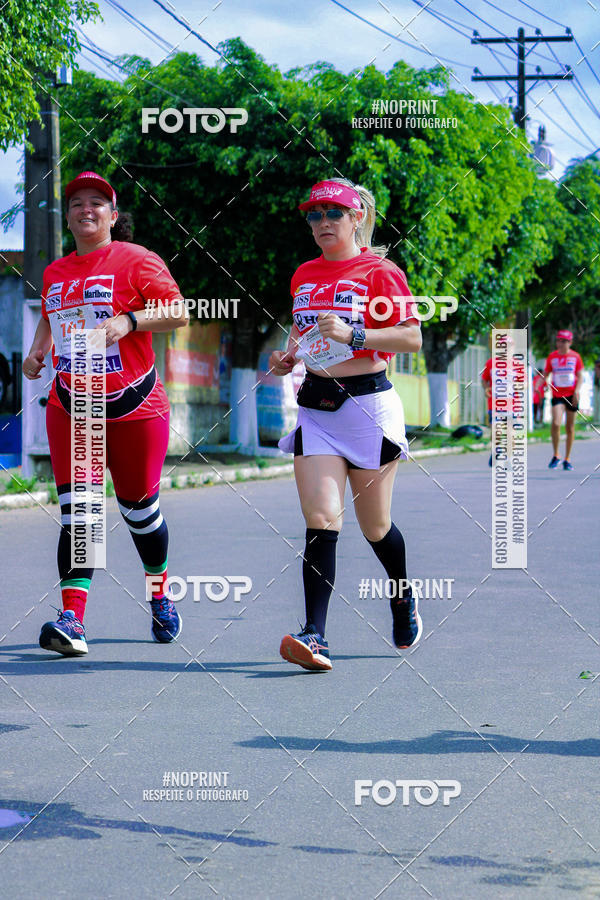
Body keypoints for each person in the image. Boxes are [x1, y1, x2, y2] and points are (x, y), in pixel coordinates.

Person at [22, 171, 188, 655]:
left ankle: (159, 594)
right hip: (74, 407)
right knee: (82, 516)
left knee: (140, 512)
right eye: (76, 203)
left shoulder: (138, 260)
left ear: (114, 216)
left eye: (97, 202)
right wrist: (37, 353)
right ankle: (72, 619)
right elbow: (54, 323)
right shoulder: (55, 272)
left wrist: (129, 321)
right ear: (68, 217)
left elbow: (179, 312)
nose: (85, 209)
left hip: (136, 409)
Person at [269, 178, 422, 672]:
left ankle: (402, 598)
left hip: (368, 410)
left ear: (357, 217)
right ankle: (316, 635)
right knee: (321, 518)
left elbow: (411, 338)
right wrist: (288, 355)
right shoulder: (304, 274)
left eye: (333, 213)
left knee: (375, 527)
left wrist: (357, 332)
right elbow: (305, 332)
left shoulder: (380, 272)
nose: (322, 222)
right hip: (315, 406)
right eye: (313, 215)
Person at [544, 329, 583, 470]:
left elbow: (580, 376)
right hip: (557, 395)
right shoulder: (552, 357)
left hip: (571, 395)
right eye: (559, 340)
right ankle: (556, 455)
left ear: (570, 342)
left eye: (564, 341)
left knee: (570, 428)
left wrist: (577, 392)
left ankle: (567, 459)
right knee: (555, 423)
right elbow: (546, 373)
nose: (561, 343)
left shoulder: (576, 357)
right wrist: (541, 384)